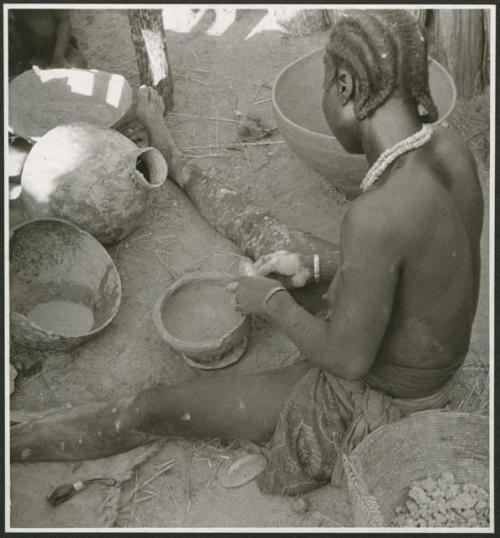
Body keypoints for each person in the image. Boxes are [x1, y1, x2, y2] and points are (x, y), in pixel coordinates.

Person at [11, 10, 483, 496]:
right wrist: (315, 267)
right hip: (430, 372)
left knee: (153, 410)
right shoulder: (452, 151)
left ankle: (15, 440)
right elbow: (427, 263)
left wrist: (270, 303)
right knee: (282, 246)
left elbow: (347, 361)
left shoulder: (376, 215)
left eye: (324, 84)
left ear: (343, 85)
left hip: (383, 401)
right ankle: (173, 156)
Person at [9, 9, 87, 78]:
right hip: (32, 53)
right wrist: (25, 55)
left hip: (59, 48)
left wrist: (58, 58)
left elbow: (64, 21)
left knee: (78, 68)